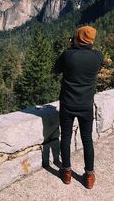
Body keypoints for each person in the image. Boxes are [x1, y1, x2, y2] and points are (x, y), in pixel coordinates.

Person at [54, 25, 103, 189]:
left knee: (66, 137)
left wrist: (71, 47)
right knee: (87, 139)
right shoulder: (97, 56)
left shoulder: (68, 55)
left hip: (67, 104)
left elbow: (56, 70)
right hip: (86, 105)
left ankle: (66, 173)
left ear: (78, 38)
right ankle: (89, 176)